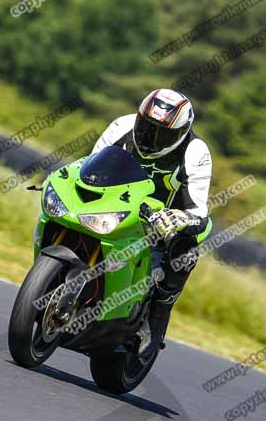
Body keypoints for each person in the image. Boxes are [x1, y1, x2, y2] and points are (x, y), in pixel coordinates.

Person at [91, 88, 213, 356]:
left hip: (164, 222)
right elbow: (88, 166)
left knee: (185, 247)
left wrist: (178, 219)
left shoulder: (196, 152)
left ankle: (156, 314)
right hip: (119, 206)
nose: (150, 138)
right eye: (146, 127)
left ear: (181, 133)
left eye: (162, 134)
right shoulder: (121, 126)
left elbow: (199, 212)